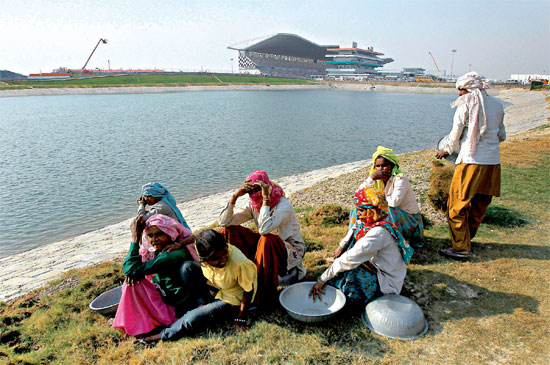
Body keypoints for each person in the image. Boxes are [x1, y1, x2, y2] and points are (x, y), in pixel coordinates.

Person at [139, 229, 257, 343]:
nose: (223, 260)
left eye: (225, 253)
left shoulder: (240, 264)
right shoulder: (202, 246)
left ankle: (158, 336)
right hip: (216, 286)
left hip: (233, 298)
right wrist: (178, 245)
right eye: (215, 259)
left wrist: (241, 318)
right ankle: (201, 304)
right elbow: (196, 237)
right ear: (204, 258)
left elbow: (248, 291)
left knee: (192, 318)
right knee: (187, 268)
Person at [435, 72, 506, 260]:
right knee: (479, 204)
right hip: (492, 163)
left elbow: (455, 133)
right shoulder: (497, 105)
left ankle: (460, 248)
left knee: (456, 206)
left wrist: (446, 150)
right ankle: (466, 239)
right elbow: (502, 135)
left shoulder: (466, 104)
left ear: (469, 89)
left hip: (471, 162)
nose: (459, 94)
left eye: (461, 90)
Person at [309, 187, 413, 306]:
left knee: (351, 276)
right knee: (345, 266)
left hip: (387, 279)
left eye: (361, 211)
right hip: (378, 265)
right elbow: (354, 228)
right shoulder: (378, 219)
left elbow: (349, 258)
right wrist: (341, 247)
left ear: (372, 211)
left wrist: (321, 280)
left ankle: (352, 301)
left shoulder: (378, 233)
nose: (357, 214)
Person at [218, 170, 306, 306]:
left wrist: (266, 199)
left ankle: (260, 287)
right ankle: (238, 273)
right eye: (250, 191)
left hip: (290, 248)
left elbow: (265, 230)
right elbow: (224, 222)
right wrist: (235, 197)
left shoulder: (283, 205)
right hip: (269, 245)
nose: (254, 194)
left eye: (258, 189)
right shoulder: (254, 206)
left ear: (267, 187)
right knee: (229, 230)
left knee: (267, 239)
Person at [112, 214, 201, 337]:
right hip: (165, 295)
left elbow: (131, 269)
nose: (154, 240)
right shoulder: (160, 250)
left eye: (159, 234)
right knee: (132, 280)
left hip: (177, 307)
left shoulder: (172, 254)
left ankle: (142, 323)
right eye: (150, 235)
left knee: (132, 283)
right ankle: (138, 320)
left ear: (170, 234)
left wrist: (134, 238)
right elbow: (132, 270)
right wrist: (133, 273)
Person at [355, 146, 424, 247]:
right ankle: (360, 238)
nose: (381, 169)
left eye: (384, 165)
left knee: (389, 209)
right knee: (361, 207)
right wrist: (371, 178)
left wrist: (377, 201)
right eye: (378, 166)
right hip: (389, 216)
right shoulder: (376, 179)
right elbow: (358, 194)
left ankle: (395, 241)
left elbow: (394, 202)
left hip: (408, 220)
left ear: (392, 166)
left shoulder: (400, 179)